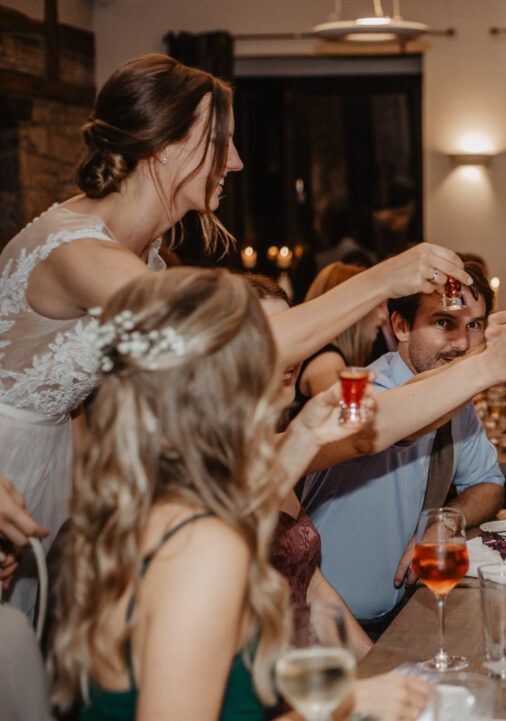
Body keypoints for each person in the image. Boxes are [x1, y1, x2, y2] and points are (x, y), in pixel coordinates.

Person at [0, 53, 469, 615]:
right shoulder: (79, 252)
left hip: (53, 473)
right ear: (166, 145)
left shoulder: (144, 259)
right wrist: (382, 279)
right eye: (221, 141)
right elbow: (241, 348)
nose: (238, 160)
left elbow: (82, 396)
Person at [47, 268, 430, 721]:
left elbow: (252, 505)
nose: (291, 358)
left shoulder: (150, 498)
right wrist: (343, 706)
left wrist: (305, 435)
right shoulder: (203, 547)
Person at [303, 263, 506, 632]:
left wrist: (444, 522)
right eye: (443, 323)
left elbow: (489, 483)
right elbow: (387, 430)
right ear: (400, 326)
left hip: (401, 615)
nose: (463, 343)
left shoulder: (457, 401)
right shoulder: (371, 391)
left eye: (474, 325)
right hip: (320, 625)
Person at [245, 273, 374, 662]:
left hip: (309, 667)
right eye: (275, 339)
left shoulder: (269, 444)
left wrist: (376, 663)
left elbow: (311, 584)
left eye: (295, 336)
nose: (292, 356)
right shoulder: (217, 460)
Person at [294, 262, 387, 409]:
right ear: (354, 308)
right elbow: (345, 416)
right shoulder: (328, 361)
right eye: (376, 305)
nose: (383, 316)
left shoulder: (324, 354)